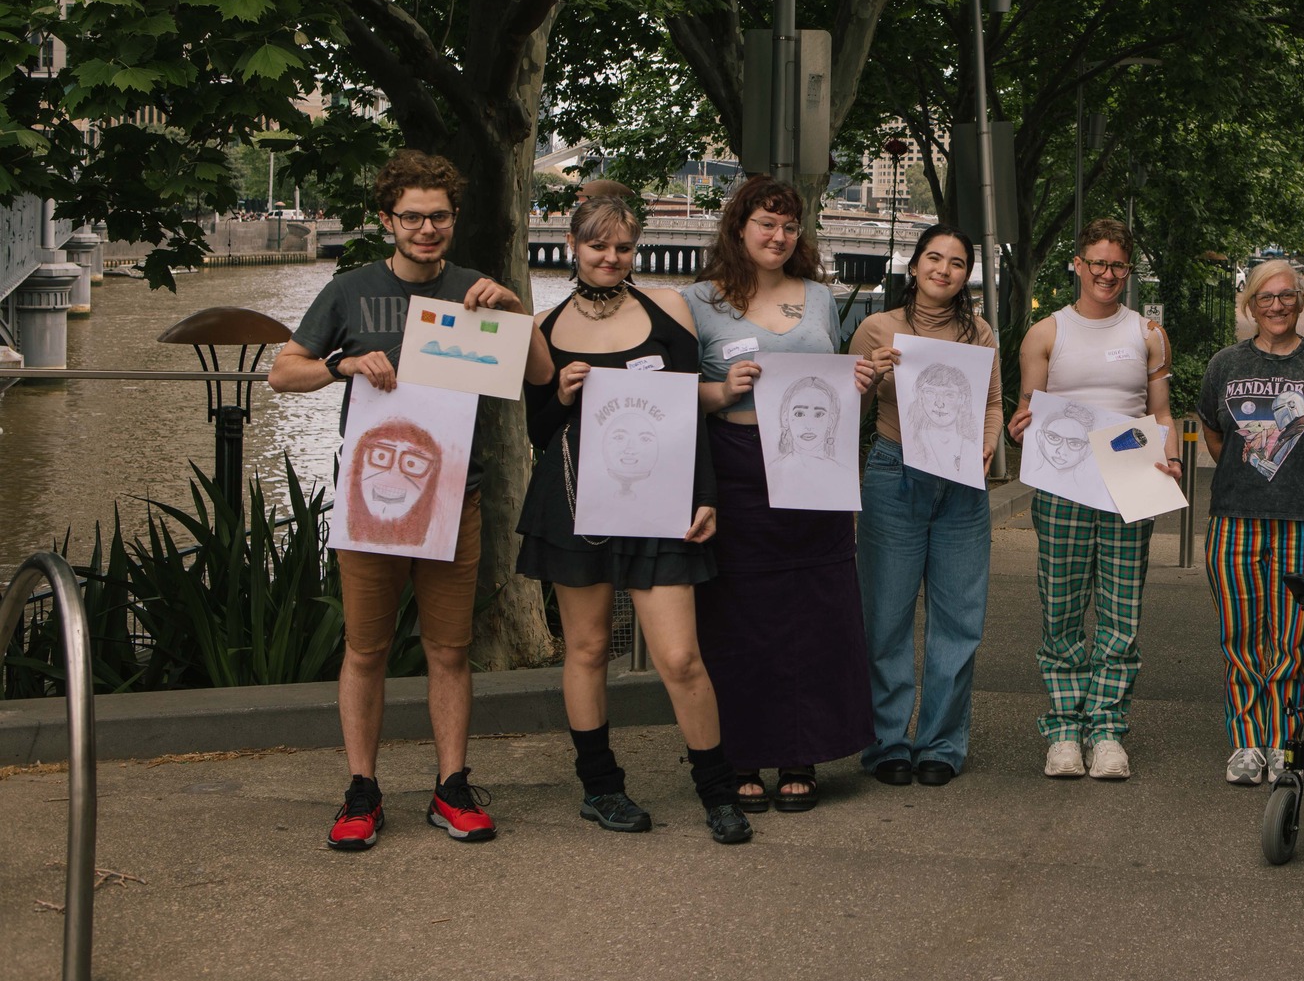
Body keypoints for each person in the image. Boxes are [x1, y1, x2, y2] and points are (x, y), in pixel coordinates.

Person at [269, 150, 538, 851]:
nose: (427, 228)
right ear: (387, 219)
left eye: (439, 216)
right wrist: (342, 363)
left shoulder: (478, 287)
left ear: (453, 219)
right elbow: (281, 373)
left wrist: (515, 310)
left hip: (457, 498)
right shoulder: (349, 290)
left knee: (450, 650)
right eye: (413, 216)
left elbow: (536, 373)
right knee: (366, 650)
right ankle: (362, 788)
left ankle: (452, 787)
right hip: (372, 503)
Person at [513, 195, 751, 844]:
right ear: (571, 243)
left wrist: (705, 493)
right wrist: (560, 393)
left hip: (659, 501)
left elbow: (688, 408)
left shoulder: (667, 309)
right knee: (588, 648)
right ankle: (600, 787)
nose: (610, 257)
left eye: (622, 246)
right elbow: (539, 431)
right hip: (572, 501)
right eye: (598, 245)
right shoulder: (542, 326)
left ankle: (718, 791)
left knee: (680, 656)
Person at [687, 176, 876, 813]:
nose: (778, 236)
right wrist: (721, 389)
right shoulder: (698, 301)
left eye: (789, 226)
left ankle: (801, 753)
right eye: (766, 223)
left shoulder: (821, 299)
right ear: (738, 228)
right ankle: (739, 753)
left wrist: (860, 380)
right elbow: (676, 392)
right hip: (736, 464)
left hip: (813, 469)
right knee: (737, 613)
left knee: (815, 611)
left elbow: (836, 384)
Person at [1007, 217, 1178, 781]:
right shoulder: (1045, 333)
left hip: (1130, 474)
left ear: (1128, 272)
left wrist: (1170, 455)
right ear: (1077, 264)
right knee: (1061, 607)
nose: (1106, 274)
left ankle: (1106, 729)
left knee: (1121, 613)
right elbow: (1029, 408)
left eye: (1117, 266)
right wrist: (1020, 425)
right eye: (1096, 263)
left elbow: (1160, 412)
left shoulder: (1148, 333)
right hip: (1064, 483)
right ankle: (1063, 730)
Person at [1197, 260, 1304, 786]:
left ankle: (1287, 742)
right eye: (1265, 297)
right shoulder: (1225, 364)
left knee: (1296, 641)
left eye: (1286, 296)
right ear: (1250, 303)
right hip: (1235, 519)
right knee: (1242, 637)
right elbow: (1217, 439)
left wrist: (1303, 477)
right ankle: (1247, 742)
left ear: (1301, 301)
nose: (1276, 306)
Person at [851, 224, 1003, 786]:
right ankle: (887, 742)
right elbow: (852, 411)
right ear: (913, 267)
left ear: (966, 275)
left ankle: (940, 742)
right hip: (894, 473)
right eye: (933, 258)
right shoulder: (876, 328)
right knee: (885, 617)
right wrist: (869, 377)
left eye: (957, 262)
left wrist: (988, 443)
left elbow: (991, 401)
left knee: (959, 620)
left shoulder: (978, 331)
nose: (943, 269)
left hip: (961, 481)